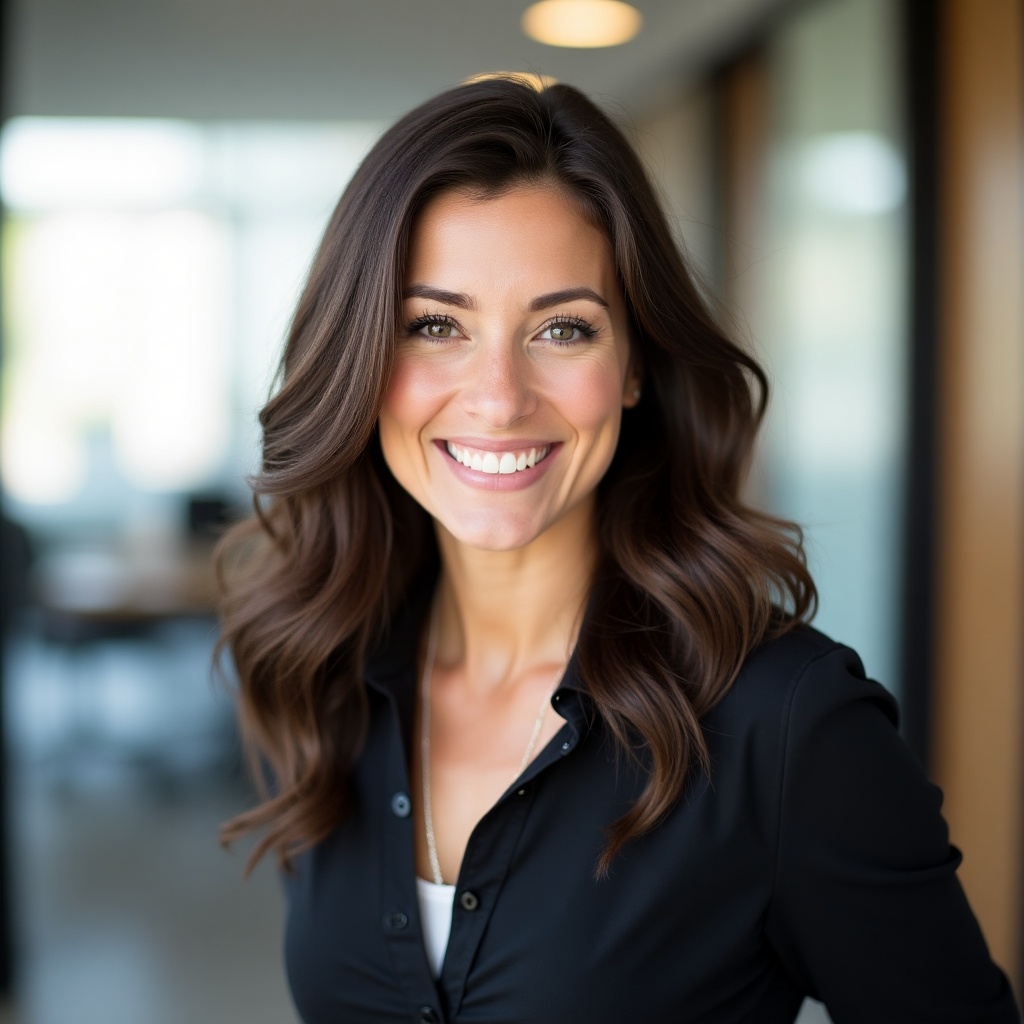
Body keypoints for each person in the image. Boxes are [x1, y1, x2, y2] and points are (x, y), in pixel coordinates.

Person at [216, 77, 1020, 1024]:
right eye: (435, 325)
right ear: (359, 359)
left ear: (635, 365)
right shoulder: (325, 675)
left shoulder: (787, 726)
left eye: (563, 329)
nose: (499, 396)